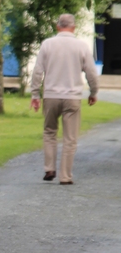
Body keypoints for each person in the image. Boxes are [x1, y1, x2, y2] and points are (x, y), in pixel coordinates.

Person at [30, 13, 98, 185]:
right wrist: (93, 92)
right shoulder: (81, 46)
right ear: (74, 27)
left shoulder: (47, 44)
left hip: (51, 95)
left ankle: (49, 168)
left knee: (49, 132)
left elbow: (38, 71)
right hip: (72, 97)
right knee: (70, 138)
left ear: (57, 26)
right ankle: (65, 176)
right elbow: (91, 72)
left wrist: (35, 94)